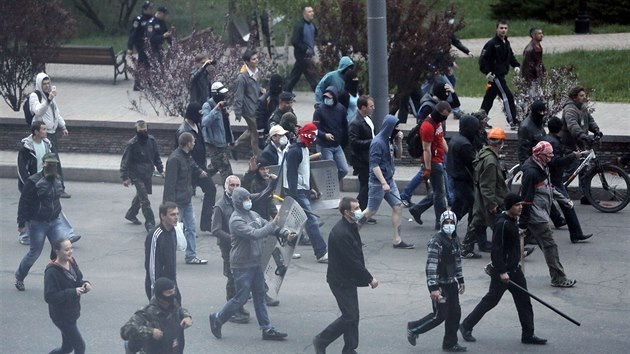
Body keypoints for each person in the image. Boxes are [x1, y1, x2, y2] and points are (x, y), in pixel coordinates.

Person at [460, 194, 547, 346]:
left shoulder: (513, 220)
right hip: (503, 272)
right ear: (509, 207)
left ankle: (528, 334)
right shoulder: (502, 224)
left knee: (524, 302)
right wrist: (501, 272)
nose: (520, 207)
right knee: (490, 301)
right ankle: (466, 325)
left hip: (515, 270)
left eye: (521, 204)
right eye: (517, 205)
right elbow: (497, 250)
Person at [209, 187, 292, 341]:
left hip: (255, 262)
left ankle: (267, 328)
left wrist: (284, 233)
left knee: (259, 296)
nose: (248, 201)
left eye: (249, 198)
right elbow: (255, 234)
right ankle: (218, 318)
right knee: (241, 297)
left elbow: (265, 224)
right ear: (238, 202)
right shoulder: (235, 220)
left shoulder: (253, 215)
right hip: (241, 265)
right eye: (245, 199)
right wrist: (273, 225)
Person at [313, 197, 378, 354]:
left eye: (358, 207)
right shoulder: (341, 233)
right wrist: (370, 279)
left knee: (353, 315)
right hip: (340, 281)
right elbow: (352, 261)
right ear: (346, 212)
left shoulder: (350, 225)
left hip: (347, 279)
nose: (358, 211)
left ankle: (350, 349)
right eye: (355, 208)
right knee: (349, 316)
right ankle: (321, 340)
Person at [15, 153, 79, 291]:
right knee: (34, 253)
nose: (52, 166)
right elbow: (24, 202)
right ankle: (19, 277)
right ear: (43, 164)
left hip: (54, 221)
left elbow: (57, 198)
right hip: (37, 223)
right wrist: (21, 223)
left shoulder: (57, 179)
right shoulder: (33, 181)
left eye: (54, 164)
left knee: (62, 249)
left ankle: (67, 278)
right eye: (49, 163)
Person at [407, 210, 466, 353]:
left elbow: (457, 261)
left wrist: (461, 280)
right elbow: (431, 266)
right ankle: (413, 328)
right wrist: (434, 288)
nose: (450, 225)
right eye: (447, 223)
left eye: (452, 222)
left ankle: (450, 343)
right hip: (439, 284)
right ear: (441, 224)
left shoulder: (455, 239)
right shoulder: (436, 241)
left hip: (451, 282)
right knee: (440, 315)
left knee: (455, 313)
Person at [519, 141, 576, 287]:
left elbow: (549, 188)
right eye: (548, 156)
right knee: (550, 246)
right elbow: (527, 199)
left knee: (515, 244)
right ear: (540, 156)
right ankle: (558, 278)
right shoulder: (532, 173)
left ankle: (495, 267)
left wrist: (564, 200)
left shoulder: (542, 167)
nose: (551, 158)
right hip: (536, 216)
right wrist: (523, 223)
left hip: (539, 213)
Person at [17, 122, 81, 246]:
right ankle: (25, 235)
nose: (46, 131)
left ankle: (69, 234)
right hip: (32, 184)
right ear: (36, 132)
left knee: (55, 207)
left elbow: (52, 163)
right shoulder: (26, 148)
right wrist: (28, 185)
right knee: (30, 208)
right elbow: (21, 169)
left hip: (45, 181)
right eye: (44, 129)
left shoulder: (47, 144)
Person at [358, 115, 414, 249]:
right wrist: (383, 183)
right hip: (379, 183)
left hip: (388, 179)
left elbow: (399, 156)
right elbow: (374, 165)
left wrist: (399, 141)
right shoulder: (377, 143)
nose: (398, 129)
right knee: (370, 211)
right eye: (396, 127)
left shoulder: (389, 140)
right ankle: (350, 233)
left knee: (397, 206)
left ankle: (397, 240)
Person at [283, 123, 329, 262]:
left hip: (301, 190)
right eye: (313, 135)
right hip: (296, 190)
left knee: (293, 223)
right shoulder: (295, 151)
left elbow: (304, 171)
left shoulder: (303, 148)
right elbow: (291, 174)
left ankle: (285, 251)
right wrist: (294, 195)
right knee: (311, 222)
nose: (315, 139)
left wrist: (309, 188)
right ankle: (321, 252)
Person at [461, 128, 509, 259]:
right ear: (500, 143)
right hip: (489, 199)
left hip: (481, 197)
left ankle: (466, 248)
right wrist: (492, 204)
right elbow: (487, 186)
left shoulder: (483, 154)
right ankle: (512, 250)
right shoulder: (491, 162)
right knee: (501, 226)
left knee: (477, 222)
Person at [543, 117, 593, 243]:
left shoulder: (551, 140)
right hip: (554, 180)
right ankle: (576, 233)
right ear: (560, 129)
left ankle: (576, 233)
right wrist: (572, 156)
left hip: (553, 179)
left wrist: (573, 153)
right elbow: (556, 162)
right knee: (567, 205)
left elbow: (559, 153)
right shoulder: (553, 143)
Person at [163, 132, 209, 265]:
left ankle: (191, 256)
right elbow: (170, 184)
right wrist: (170, 205)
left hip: (186, 198)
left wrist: (200, 172)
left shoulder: (186, 156)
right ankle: (166, 256)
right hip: (177, 201)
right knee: (173, 229)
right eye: (193, 141)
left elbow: (193, 165)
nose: (194, 143)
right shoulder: (175, 159)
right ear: (188, 143)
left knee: (190, 227)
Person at [212, 176, 251, 324]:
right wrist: (233, 237)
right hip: (228, 247)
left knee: (241, 278)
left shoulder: (241, 202)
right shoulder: (220, 206)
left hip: (241, 246)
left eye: (237, 185)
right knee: (231, 277)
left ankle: (239, 306)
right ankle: (230, 310)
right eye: (232, 185)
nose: (234, 188)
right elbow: (215, 229)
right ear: (226, 187)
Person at [45, 238, 92, 354]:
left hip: (72, 312)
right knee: (80, 346)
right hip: (61, 316)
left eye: (71, 248)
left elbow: (78, 280)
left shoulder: (71, 261)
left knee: (67, 348)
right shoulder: (52, 271)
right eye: (66, 250)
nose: (70, 252)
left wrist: (85, 284)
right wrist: (72, 292)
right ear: (57, 251)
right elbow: (49, 296)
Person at [409, 101, 451, 230]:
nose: (445, 118)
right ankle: (441, 221)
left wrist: (448, 152)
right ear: (438, 112)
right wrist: (428, 168)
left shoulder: (437, 122)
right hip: (433, 162)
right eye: (444, 115)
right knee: (440, 193)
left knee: (440, 191)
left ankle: (417, 209)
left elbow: (441, 138)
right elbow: (426, 149)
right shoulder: (427, 126)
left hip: (439, 160)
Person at [121, 277, 193, 354]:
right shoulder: (147, 312)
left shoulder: (172, 304)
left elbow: (179, 309)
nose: (173, 295)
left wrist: (187, 316)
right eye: (169, 293)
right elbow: (125, 331)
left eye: (173, 291)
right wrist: (151, 332)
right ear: (160, 295)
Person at [176, 102, 217, 233]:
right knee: (185, 198)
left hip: (200, 167)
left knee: (211, 189)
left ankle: (205, 223)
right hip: (189, 170)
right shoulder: (183, 131)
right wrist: (198, 170)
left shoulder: (196, 125)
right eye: (198, 114)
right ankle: (180, 226)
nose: (201, 116)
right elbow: (185, 154)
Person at [31, 72, 71, 198]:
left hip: (52, 133)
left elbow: (56, 113)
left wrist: (62, 126)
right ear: (39, 84)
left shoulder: (50, 96)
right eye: (44, 84)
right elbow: (38, 111)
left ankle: (55, 186)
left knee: (52, 161)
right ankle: (58, 188)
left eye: (48, 83)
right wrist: (48, 99)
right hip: (42, 134)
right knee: (49, 161)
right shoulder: (34, 96)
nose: (47, 86)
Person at [560, 86, 603, 204]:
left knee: (585, 170)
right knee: (570, 170)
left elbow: (590, 120)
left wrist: (596, 130)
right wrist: (582, 135)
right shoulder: (570, 109)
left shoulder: (583, 107)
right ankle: (558, 191)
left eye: (584, 95)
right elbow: (572, 125)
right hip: (569, 144)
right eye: (581, 96)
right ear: (574, 97)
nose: (585, 98)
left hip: (580, 143)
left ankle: (586, 196)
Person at [121, 120, 164, 232]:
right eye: (141, 131)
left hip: (148, 173)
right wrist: (125, 177)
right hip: (136, 175)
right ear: (136, 131)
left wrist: (161, 170)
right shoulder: (132, 144)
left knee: (141, 195)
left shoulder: (151, 141)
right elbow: (125, 161)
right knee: (144, 199)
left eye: (145, 130)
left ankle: (131, 214)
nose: (143, 133)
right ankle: (150, 223)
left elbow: (156, 156)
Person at [479, 20, 521, 130]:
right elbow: (483, 60)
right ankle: (513, 121)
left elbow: (510, 56)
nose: (503, 30)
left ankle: (480, 121)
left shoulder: (506, 43)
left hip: (501, 75)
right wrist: (487, 72)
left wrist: (516, 65)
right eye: (501, 28)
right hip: (495, 76)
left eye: (505, 28)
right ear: (496, 29)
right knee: (507, 97)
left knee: (489, 98)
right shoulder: (492, 44)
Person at [447, 115, 479, 226]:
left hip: (456, 177)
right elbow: (474, 162)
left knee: (458, 206)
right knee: (474, 206)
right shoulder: (465, 144)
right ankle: (472, 236)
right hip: (464, 179)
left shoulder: (456, 139)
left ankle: (449, 230)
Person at [313, 86, 349, 183]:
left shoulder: (341, 109)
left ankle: (333, 184)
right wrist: (324, 135)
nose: (327, 99)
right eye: (325, 97)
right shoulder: (319, 110)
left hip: (337, 145)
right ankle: (328, 187)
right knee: (328, 171)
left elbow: (344, 125)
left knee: (344, 169)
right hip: (324, 146)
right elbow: (314, 129)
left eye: (329, 98)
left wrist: (344, 140)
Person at [145, 202, 180, 302]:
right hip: (160, 286)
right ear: (163, 216)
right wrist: (155, 290)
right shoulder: (155, 235)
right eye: (172, 214)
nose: (176, 217)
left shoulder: (173, 232)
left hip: (172, 283)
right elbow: (151, 266)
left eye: (177, 214)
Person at [233, 48, 264, 157]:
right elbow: (238, 95)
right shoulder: (242, 77)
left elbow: (258, 85)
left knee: (251, 130)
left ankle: (234, 146)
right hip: (248, 109)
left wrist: (261, 90)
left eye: (257, 58)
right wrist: (238, 112)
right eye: (253, 59)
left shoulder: (258, 72)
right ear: (247, 62)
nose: (256, 60)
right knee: (255, 131)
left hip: (256, 106)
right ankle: (257, 157)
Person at [202, 82, 234, 181]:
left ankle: (197, 180)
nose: (224, 97)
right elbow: (205, 122)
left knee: (215, 166)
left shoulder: (223, 105)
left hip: (223, 143)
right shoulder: (208, 105)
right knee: (226, 170)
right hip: (214, 144)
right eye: (221, 94)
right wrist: (216, 109)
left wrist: (231, 139)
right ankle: (230, 191)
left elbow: (225, 125)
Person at [348, 95, 375, 212]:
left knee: (366, 186)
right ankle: (356, 210)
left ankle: (362, 211)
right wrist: (372, 142)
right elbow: (353, 142)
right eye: (371, 106)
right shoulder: (355, 122)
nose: (373, 108)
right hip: (361, 160)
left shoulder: (367, 119)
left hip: (368, 157)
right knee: (366, 186)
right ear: (363, 107)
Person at [284, 6, 319, 92]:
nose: (312, 13)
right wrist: (305, 50)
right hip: (302, 55)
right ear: (304, 14)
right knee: (311, 75)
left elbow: (315, 38)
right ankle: (320, 95)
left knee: (295, 75)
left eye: (312, 11)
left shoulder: (313, 25)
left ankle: (285, 92)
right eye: (309, 12)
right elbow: (295, 41)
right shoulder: (299, 26)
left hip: (309, 55)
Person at [127, 1, 153, 90]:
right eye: (149, 8)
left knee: (143, 63)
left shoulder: (152, 18)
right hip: (140, 44)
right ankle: (147, 83)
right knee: (145, 63)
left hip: (149, 44)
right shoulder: (138, 19)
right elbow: (132, 34)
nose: (151, 10)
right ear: (145, 9)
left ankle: (140, 83)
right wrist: (130, 47)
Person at [255, 74, 284, 146]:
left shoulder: (283, 98)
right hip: (269, 131)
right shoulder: (264, 100)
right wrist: (261, 135)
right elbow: (259, 117)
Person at [522, 27, 545, 94]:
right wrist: (528, 80)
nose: (542, 35)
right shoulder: (530, 49)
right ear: (533, 35)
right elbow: (527, 66)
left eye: (542, 33)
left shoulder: (538, 46)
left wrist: (543, 71)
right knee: (532, 96)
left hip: (536, 77)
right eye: (539, 34)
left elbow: (539, 61)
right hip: (531, 78)